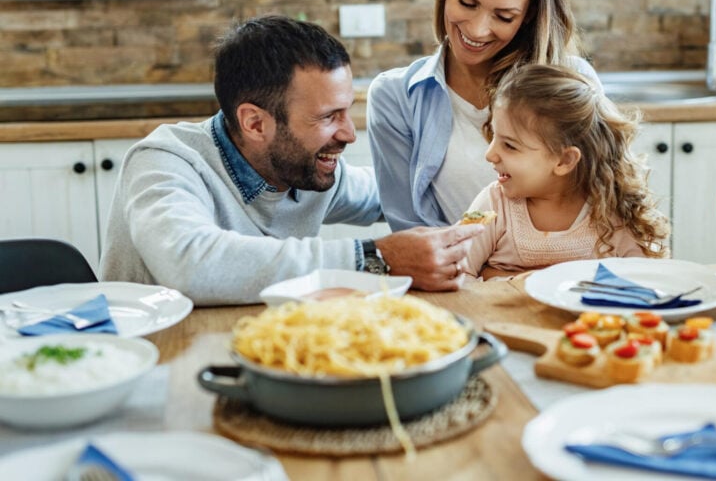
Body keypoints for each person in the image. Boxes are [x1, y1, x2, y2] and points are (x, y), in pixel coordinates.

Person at [100, 16, 482, 305]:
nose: (349, 134)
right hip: (153, 363)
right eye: (328, 117)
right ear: (254, 122)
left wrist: (511, 189)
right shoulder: (165, 161)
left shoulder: (307, 171)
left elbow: (403, 193)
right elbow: (190, 264)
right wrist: (375, 256)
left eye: (347, 111)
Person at [367, 0, 600, 231]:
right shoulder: (396, 97)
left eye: (503, 17)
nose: (477, 30)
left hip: (559, 275)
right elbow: (413, 234)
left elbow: (607, 200)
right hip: (458, 278)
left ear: (529, 16)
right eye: (466, 2)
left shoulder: (575, 84)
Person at [459, 64, 670, 283]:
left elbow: (647, 280)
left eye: (510, 146)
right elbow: (457, 274)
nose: (490, 154)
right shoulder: (494, 205)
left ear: (564, 160)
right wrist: (516, 282)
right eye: (494, 136)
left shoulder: (610, 211)